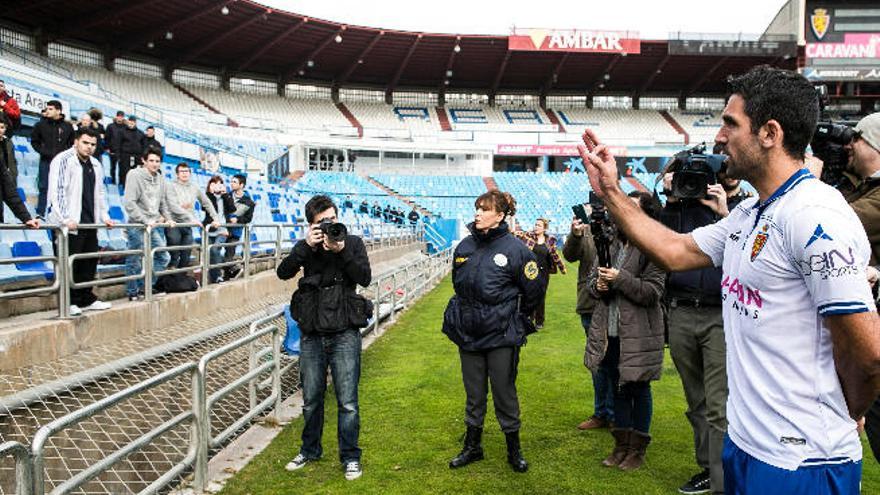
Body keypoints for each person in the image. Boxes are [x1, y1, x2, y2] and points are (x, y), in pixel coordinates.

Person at [578, 66, 880, 493]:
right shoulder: (750, 212)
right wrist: (610, 191)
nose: (719, 137)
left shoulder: (816, 216)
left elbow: (869, 354)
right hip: (745, 443)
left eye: (730, 123)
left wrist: (848, 408)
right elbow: (674, 250)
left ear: (770, 133)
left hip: (803, 460)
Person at [442, 190, 544, 473]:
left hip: (501, 334)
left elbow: (534, 291)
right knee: (474, 394)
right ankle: (473, 447)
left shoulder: (517, 250)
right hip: (468, 333)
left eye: (484, 209)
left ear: (500, 215)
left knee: (503, 392)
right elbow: (458, 286)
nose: (477, 213)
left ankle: (514, 450)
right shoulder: (464, 246)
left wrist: (514, 318)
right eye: (476, 208)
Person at [277, 195, 371, 481]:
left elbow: (364, 278)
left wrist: (340, 249)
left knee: (348, 401)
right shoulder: (306, 246)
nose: (329, 226)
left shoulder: (351, 242)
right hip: (313, 333)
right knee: (311, 399)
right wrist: (306, 246)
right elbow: (283, 272)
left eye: (332, 219)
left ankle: (351, 457)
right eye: (322, 223)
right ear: (311, 225)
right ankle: (309, 450)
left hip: (344, 331)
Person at [657, 165, 730, 493]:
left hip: (718, 314)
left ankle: (722, 479)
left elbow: (742, 252)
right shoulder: (673, 210)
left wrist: (723, 213)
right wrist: (672, 200)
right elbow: (660, 247)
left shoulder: (733, 209)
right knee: (696, 401)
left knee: (718, 404)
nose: (692, 185)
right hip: (682, 311)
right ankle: (708, 468)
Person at [585, 191, 666, 472]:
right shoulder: (610, 241)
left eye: (632, 206)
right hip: (610, 332)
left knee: (638, 388)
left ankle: (637, 450)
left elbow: (652, 292)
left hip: (639, 334)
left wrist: (619, 279)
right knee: (617, 388)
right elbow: (591, 282)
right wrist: (599, 286)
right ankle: (620, 446)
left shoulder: (654, 246)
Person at [45, 128, 113, 316]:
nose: (89, 147)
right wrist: (65, 218)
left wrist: (105, 216)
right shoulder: (63, 160)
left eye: (93, 144)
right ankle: (69, 302)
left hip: (90, 222)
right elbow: (57, 192)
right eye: (85, 143)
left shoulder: (96, 165)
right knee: (69, 263)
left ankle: (85, 297)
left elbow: (100, 193)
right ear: (76, 141)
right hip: (69, 223)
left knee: (89, 261)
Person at [562, 212, 612, 431]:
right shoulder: (586, 230)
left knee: (618, 362)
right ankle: (602, 413)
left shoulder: (622, 228)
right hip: (591, 304)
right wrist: (575, 235)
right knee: (598, 363)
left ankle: (616, 414)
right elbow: (570, 256)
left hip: (621, 304)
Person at [123, 147, 174, 300]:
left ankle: (145, 286)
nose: (154, 164)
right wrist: (145, 221)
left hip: (154, 225)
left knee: (163, 257)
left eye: (157, 161)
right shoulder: (134, 175)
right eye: (151, 160)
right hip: (137, 224)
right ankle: (132, 291)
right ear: (144, 161)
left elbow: (163, 203)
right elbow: (129, 203)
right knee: (135, 258)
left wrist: (168, 217)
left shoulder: (160, 178)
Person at [166, 163, 220, 269]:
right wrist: (191, 217)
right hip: (174, 223)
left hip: (188, 225)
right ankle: (170, 279)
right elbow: (173, 206)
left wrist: (216, 218)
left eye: (187, 171)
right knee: (174, 253)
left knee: (186, 255)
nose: (184, 173)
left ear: (190, 173)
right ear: (177, 174)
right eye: (182, 171)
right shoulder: (170, 185)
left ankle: (182, 280)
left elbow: (206, 203)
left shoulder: (194, 187)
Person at [514, 218, 566, 328]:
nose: (536, 227)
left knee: (541, 297)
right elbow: (516, 234)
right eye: (535, 224)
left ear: (544, 228)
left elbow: (555, 255)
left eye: (539, 225)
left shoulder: (550, 240)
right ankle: (529, 318)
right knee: (528, 294)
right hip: (530, 271)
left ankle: (539, 321)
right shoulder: (528, 236)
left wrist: (562, 268)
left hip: (544, 272)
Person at [31, 100, 74, 217]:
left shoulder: (68, 126)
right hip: (45, 161)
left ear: (58, 111)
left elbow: (71, 144)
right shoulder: (40, 125)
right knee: (43, 186)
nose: (47, 111)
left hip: (61, 163)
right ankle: (40, 213)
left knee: (58, 188)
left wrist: (64, 155)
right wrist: (43, 151)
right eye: (47, 109)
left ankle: (54, 212)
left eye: (50, 109)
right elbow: (34, 141)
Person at [223, 174, 255, 279]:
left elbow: (248, 218)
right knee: (215, 252)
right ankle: (235, 269)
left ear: (242, 185)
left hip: (235, 231)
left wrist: (238, 219)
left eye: (234, 182)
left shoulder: (248, 202)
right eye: (231, 181)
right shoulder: (227, 196)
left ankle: (227, 277)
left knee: (229, 254)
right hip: (222, 229)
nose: (231, 184)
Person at [204, 175, 234, 284]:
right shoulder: (207, 196)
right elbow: (205, 207)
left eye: (219, 183)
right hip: (210, 229)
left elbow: (232, 208)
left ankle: (217, 276)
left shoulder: (225, 197)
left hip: (222, 230)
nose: (217, 186)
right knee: (210, 254)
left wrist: (225, 194)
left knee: (214, 250)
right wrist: (211, 193)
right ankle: (228, 268)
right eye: (214, 183)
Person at [118, 115, 146, 188]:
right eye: (130, 121)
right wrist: (119, 155)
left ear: (135, 123)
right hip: (125, 156)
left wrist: (142, 157)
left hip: (137, 156)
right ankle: (125, 188)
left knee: (135, 173)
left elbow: (143, 146)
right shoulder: (122, 132)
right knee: (125, 172)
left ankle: (134, 188)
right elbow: (119, 144)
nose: (131, 123)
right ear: (128, 122)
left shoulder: (141, 133)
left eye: (133, 122)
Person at [105, 111, 126, 184]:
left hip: (122, 151)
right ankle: (113, 182)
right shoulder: (110, 126)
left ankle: (121, 183)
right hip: (112, 150)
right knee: (112, 167)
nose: (120, 118)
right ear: (116, 117)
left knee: (122, 169)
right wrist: (107, 148)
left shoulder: (125, 127)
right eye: (119, 116)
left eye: (121, 116)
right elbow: (107, 138)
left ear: (123, 118)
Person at [0, 115, 17, 187]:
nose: (0, 130)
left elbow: (12, 161)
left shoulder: (9, 142)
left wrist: (13, 175)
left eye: (2, 128)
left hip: (7, 178)